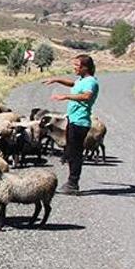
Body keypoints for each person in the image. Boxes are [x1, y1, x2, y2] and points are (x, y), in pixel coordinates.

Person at [42, 54, 99, 195]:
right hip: (73, 120)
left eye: (77, 66)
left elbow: (86, 96)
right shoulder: (82, 80)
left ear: (85, 67)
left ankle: (73, 183)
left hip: (80, 122)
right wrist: (57, 80)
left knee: (75, 153)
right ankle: (71, 181)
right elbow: (74, 85)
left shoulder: (91, 82)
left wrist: (65, 96)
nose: (74, 68)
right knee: (70, 151)